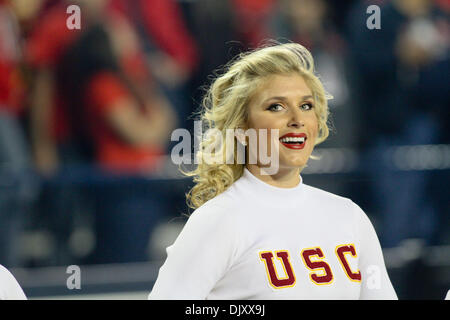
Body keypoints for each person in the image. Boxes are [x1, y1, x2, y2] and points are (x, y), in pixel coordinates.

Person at [148, 42, 397, 299]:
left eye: (306, 105)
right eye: (276, 107)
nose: (297, 119)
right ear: (241, 129)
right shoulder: (219, 220)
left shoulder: (350, 217)